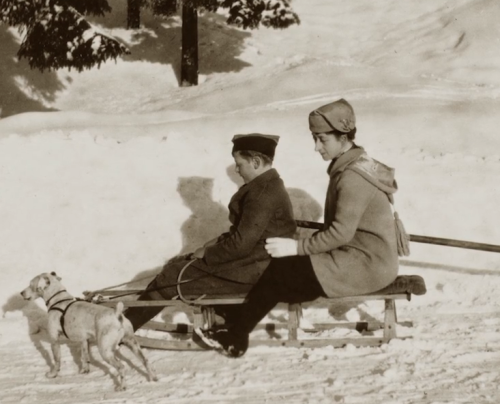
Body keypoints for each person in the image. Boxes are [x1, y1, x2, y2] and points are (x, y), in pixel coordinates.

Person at [196, 99, 400, 357]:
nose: (316, 147)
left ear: (344, 136)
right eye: (315, 139)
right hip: (360, 256)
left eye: (322, 139)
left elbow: (340, 233)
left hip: (368, 265)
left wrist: (298, 246)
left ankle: (237, 334)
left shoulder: (352, 177)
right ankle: (239, 321)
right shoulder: (352, 164)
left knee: (286, 268)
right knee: (285, 269)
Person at [124, 133, 297, 331]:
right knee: (179, 266)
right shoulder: (267, 186)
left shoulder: (262, 193)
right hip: (257, 263)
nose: (238, 170)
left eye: (239, 164)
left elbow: (241, 244)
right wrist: (212, 244)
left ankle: (123, 328)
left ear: (256, 162)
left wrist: (207, 253)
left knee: (173, 275)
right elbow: (245, 233)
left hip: (256, 270)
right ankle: (222, 318)